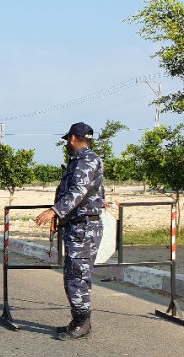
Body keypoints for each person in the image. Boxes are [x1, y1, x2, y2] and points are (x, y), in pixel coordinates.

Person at [35, 122, 105, 340]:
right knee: (74, 275)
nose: (66, 143)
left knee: (77, 276)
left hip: (84, 228)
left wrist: (55, 211)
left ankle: (82, 323)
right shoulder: (80, 160)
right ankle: (79, 321)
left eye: (67, 140)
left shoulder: (86, 160)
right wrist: (61, 217)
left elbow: (78, 191)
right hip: (77, 225)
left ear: (73, 138)